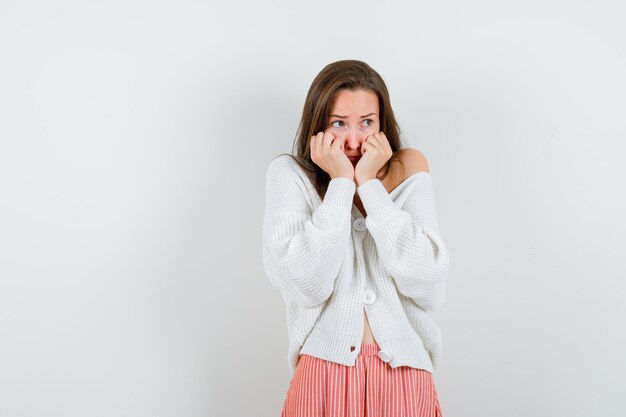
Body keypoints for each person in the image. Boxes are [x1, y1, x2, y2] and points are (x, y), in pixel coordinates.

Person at [262, 59, 450, 417]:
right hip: (323, 376)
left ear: (383, 123)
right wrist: (341, 184)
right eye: (338, 123)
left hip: (405, 377)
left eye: (367, 122)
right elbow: (308, 284)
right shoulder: (289, 175)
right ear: (317, 125)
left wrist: (370, 186)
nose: (353, 140)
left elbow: (429, 283)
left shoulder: (409, 166)